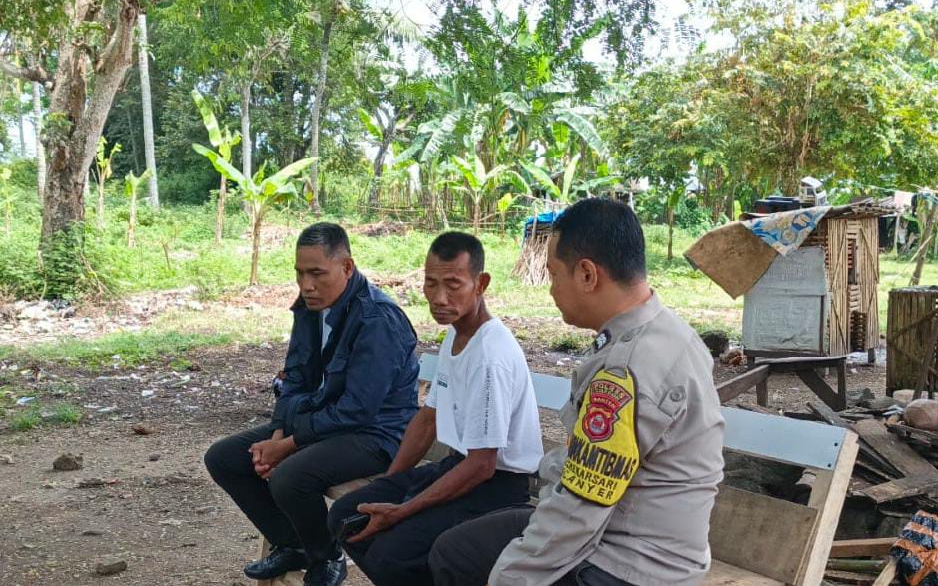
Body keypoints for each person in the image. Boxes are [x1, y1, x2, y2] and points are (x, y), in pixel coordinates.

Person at [428, 198, 725, 586]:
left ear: (587, 274)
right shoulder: (668, 330)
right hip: (633, 529)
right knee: (458, 548)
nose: (552, 290)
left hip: (627, 560)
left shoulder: (625, 370)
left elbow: (582, 507)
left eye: (554, 275)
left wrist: (510, 575)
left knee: (472, 562)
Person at [204, 223, 420, 586]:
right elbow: (295, 378)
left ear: (346, 267)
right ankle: (295, 544)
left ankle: (327, 555)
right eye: (300, 273)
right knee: (224, 458)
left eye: (317, 273)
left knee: (290, 476)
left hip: (378, 434)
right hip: (324, 422)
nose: (307, 285)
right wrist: (277, 433)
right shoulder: (310, 308)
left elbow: (357, 410)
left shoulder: (378, 319)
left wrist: (287, 446)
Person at [326, 231, 544, 586]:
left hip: (496, 488)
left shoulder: (490, 355)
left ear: (480, 284)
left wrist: (401, 510)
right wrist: (390, 483)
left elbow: (482, 465)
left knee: (391, 554)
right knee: (347, 516)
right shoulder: (456, 334)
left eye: (453, 285)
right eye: (431, 283)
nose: (439, 298)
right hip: (456, 467)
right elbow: (428, 419)